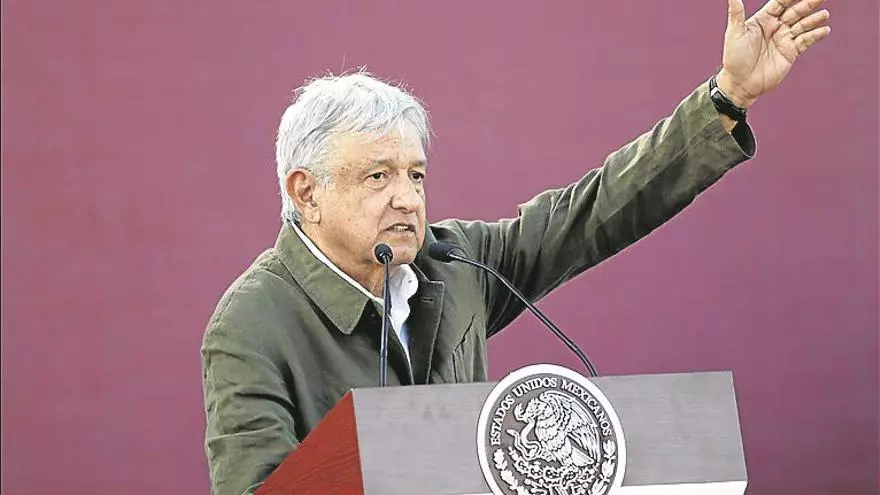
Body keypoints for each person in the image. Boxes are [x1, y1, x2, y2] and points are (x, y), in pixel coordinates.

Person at [200, 1, 830, 493]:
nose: (408, 198)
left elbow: (592, 212)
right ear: (306, 192)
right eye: (377, 176)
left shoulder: (456, 264)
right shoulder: (251, 322)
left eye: (415, 174)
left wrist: (727, 98)